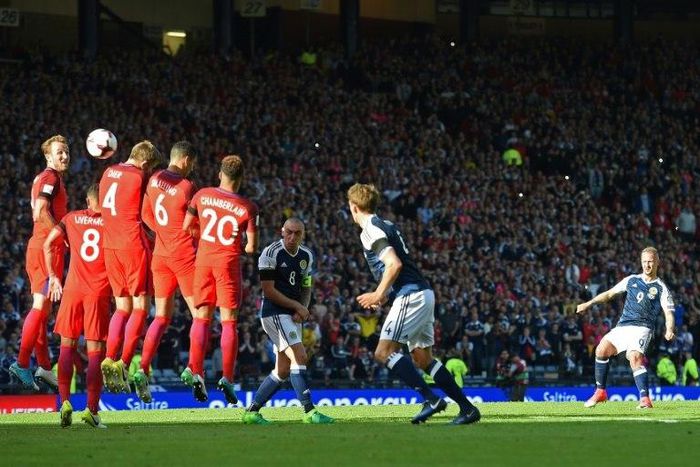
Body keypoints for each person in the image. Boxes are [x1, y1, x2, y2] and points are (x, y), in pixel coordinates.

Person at [347, 183, 480, 425]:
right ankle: (468, 409)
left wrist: (378, 294)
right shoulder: (386, 225)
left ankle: (429, 399)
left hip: (412, 296)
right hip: (422, 293)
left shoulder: (370, 230)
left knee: (383, 352)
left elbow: (394, 265)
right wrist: (386, 293)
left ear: (353, 207)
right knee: (422, 358)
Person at [182, 155, 258, 404]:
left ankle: (197, 372)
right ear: (241, 178)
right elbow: (251, 248)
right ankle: (226, 377)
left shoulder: (201, 195)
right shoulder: (248, 207)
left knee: (201, 317)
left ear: (220, 174)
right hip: (228, 264)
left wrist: (206, 237)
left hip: (203, 261)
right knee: (228, 323)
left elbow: (186, 227)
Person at [242, 218, 334, 424]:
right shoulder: (270, 253)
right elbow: (268, 290)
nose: (293, 237)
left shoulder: (307, 255)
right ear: (282, 231)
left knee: (283, 370)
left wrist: (302, 308)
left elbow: (307, 286)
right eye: (289, 232)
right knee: (300, 356)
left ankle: (252, 411)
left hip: (292, 314)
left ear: (303, 234)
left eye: (297, 233)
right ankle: (310, 412)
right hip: (274, 313)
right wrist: (296, 306)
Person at [134, 141, 199, 403]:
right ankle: (194, 369)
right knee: (200, 317)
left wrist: (162, 232)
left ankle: (142, 368)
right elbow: (193, 225)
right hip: (183, 256)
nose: (191, 168)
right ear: (185, 160)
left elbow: (145, 214)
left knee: (161, 317)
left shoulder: (153, 180)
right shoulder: (186, 187)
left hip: (160, 256)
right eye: (191, 164)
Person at [576, 246, 675, 409]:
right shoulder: (632, 280)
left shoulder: (661, 288)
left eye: (650, 261)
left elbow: (669, 313)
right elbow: (609, 294)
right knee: (601, 350)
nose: (647, 265)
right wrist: (588, 303)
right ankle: (600, 392)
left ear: (658, 262)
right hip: (623, 326)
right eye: (644, 261)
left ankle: (645, 399)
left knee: (634, 357)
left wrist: (669, 329)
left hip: (643, 328)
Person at [44, 184, 109, 429]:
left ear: (87, 201)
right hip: (98, 291)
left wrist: (53, 276)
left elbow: (49, 242)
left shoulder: (71, 218)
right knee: (95, 352)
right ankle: (92, 411)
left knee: (66, 347)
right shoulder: (112, 224)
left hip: (72, 289)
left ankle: (65, 403)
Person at [99, 140, 162, 393]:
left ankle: (108, 357)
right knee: (140, 308)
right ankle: (123, 363)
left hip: (110, 246)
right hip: (132, 246)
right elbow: (148, 210)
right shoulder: (139, 177)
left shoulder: (107, 172)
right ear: (145, 163)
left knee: (121, 308)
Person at [11, 135, 69, 392]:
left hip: (41, 246)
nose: (64, 156)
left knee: (42, 311)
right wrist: (60, 232)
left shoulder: (46, 178)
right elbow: (40, 211)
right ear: (48, 156)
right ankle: (22, 363)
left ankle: (44, 366)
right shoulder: (50, 178)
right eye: (59, 152)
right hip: (46, 248)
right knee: (39, 307)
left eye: (66, 152)